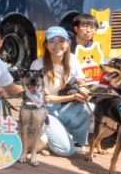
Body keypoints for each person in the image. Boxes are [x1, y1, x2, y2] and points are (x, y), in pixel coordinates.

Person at [29, 27, 92, 157]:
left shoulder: (73, 59)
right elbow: (46, 99)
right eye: (52, 41)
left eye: (61, 41)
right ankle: (46, 134)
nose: (57, 45)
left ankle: (75, 139)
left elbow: (81, 81)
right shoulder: (37, 66)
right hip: (45, 110)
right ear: (46, 44)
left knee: (89, 107)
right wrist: (74, 96)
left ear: (68, 43)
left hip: (64, 108)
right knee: (66, 151)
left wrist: (84, 89)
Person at [71, 13, 105, 87]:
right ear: (76, 29)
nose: (88, 31)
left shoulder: (95, 47)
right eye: (84, 27)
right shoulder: (66, 44)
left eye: (92, 27)